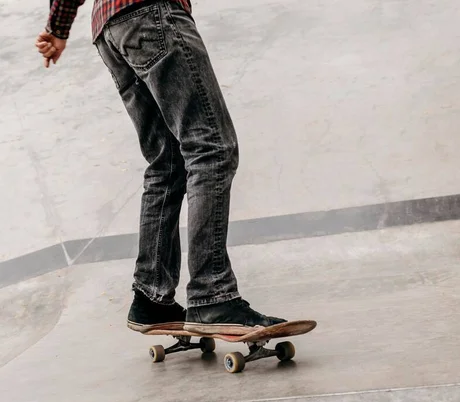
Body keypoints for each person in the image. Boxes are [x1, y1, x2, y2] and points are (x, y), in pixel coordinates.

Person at [36, 0, 286, 334]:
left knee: (167, 164)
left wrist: (58, 26)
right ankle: (212, 296)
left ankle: (152, 298)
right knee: (210, 148)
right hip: (153, 15)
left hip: (111, 28)